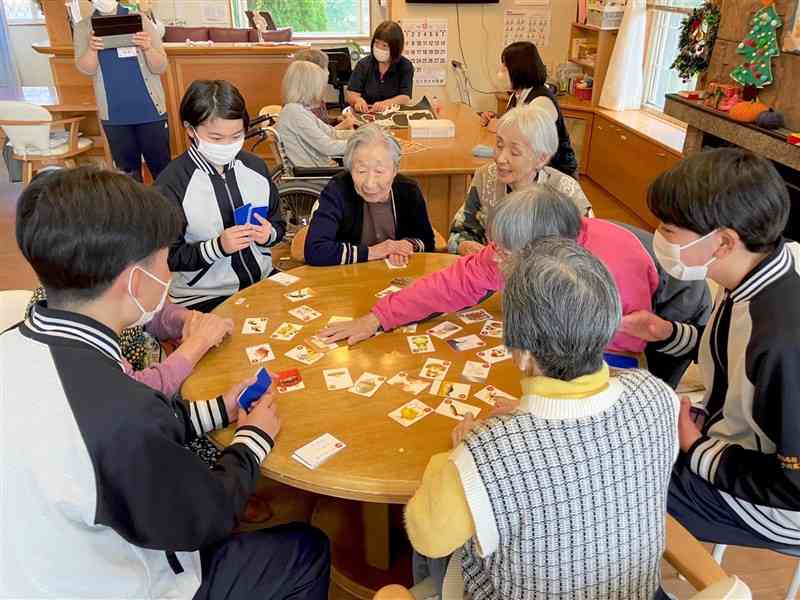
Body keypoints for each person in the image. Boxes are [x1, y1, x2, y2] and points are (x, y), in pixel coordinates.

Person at [0, 167, 330, 598]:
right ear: (135, 280)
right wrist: (251, 442)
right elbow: (202, 517)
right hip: (119, 581)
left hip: (43, 566)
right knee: (307, 550)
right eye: (164, 259)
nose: (169, 272)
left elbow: (137, 431)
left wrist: (222, 409)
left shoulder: (18, 345)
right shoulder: (121, 411)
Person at [404, 237, 679, 599]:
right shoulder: (659, 396)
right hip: (633, 590)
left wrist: (457, 455)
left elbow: (428, 536)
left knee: (428, 562)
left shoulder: (485, 455)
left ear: (521, 354)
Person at [620, 148, 800, 555]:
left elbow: (793, 487)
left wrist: (696, 446)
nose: (659, 239)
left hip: (776, 503)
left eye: (668, 230)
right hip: (727, 438)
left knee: (617, 487)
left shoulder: (782, 339)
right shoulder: (756, 270)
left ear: (723, 241)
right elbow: (729, 354)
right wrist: (665, 331)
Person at [319, 185, 658, 356]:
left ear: (543, 252)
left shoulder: (614, 267)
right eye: (496, 247)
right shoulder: (513, 247)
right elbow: (450, 283)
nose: (496, 258)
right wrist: (377, 317)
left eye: (506, 253)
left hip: (663, 323)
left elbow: (628, 344)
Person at [156, 80, 285, 312]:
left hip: (261, 281)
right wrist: (217, 247)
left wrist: (269, 234)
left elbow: (278, 224)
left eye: (236, 136)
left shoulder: (255, 167)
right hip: (202, 296)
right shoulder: (172, 182)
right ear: (190, 129)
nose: (227, 145)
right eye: (216, 138)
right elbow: (168, 256)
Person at [448, 103, 592, 256]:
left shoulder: (565, 191)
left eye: (515, 152)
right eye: (499, 145)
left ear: (541, 158)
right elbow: (460, 231)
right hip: (490, 273)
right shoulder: (485, 177)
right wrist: (463, 245)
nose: (501, 158)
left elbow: (588, 252)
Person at [304, 125, 435, 266]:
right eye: (361, 171)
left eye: (379, 171)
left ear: (395, 170)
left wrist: (407, 246)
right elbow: (315, 250)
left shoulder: (409, 190)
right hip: (348, 278)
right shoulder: (338, 190)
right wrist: (377, 251)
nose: (370, 183)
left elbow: (427, 242)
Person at [74, 0, 170, 181]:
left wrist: (147, 47)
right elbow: (86, 69)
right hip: (115, 115)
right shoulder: (83, 28)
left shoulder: (140, 20)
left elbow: (161, 66)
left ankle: (167, 208)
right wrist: (92, 49)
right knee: (127, 175)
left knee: (162, 168)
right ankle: (134, 209)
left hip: (150, 110)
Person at [613, 221, 713, 388]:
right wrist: (667, 333)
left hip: (682, 311)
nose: (658, 233)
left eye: (668, 229)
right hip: (671, 330)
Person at [479, 42, 578, 178]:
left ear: (519, 70)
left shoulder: (542, 102)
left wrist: (499, 124)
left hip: (552, 172)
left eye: (505, 68)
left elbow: (524, 135)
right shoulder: (517, 94)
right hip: (528, 166)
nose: (500, 73)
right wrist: (493, 118)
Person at [276, 61, 357, 169]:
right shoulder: (295, 113)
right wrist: (362, 144)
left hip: (319, 166)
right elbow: (328, 147)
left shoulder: (298, 109)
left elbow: (331, 133)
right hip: (314, 174)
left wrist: (361, 135)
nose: (322, 90)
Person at [347, 20, 414, 113]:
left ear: (395, 48)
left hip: (393, 114)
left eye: (384, 46)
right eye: (376, 43)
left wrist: (386, 103)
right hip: (366, 114)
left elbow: (405, 97)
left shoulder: (405, 66)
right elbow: (352, 93)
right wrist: (358, 101)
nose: (379, 48)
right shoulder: (363, 65)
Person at [292, 47, 335, 124]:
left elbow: (322, 122)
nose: (328, 73)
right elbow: (319, 133)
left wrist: (337, 119)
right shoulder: (301, 108)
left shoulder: (315, 97)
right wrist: (343, 125)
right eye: (326, 68)